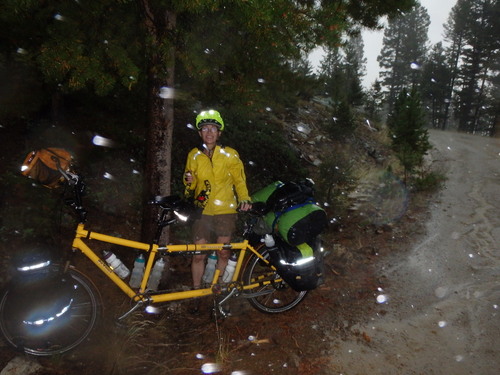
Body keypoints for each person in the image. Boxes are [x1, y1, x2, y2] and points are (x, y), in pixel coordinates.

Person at [183, 109, 252, 294]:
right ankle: (197, 292)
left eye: (213, 128)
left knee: (223, 252)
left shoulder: (230, 154)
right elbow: (189, 184)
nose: (209, 132)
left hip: (226, 210)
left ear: (219, 132)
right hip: (202, 210)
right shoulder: (194, 155)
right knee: (199, 254)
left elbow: (239, 180)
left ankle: (217, 288)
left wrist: (244, 197)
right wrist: (189, 182)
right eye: (205, 129)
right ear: (200, 133)